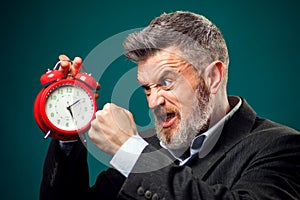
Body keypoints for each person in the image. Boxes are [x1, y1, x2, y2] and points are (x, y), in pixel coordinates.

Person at [40, 11, 300, 200]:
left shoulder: (282, 147)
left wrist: (129, 151)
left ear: (213, 77)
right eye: (147, 88)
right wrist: (68, 126)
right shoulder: (149, 148)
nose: (154, 102)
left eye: (166, 82)